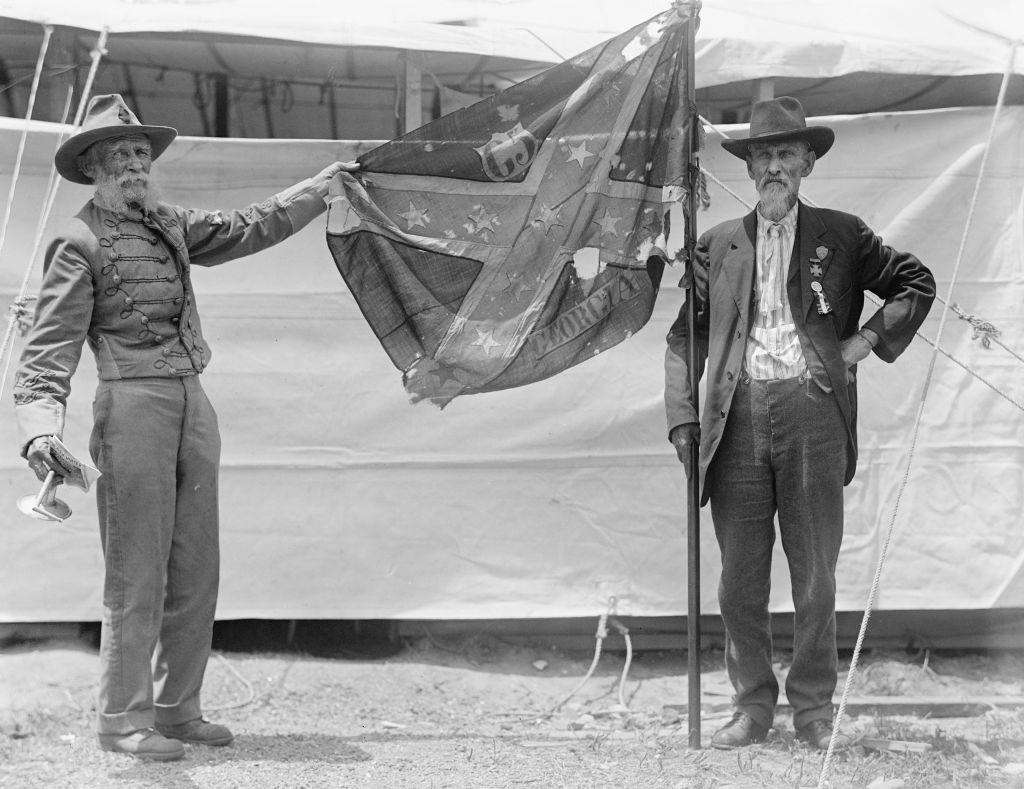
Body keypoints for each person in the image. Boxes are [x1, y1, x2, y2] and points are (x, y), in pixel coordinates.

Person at [13, 94, 357, 761]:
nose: (136, 166)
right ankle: (122, 720)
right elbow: (46, 353)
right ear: (94, 167)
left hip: (193, 405)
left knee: (197, 567)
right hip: (131, 407)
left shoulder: (169, 222)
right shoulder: (75, 241)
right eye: (121, 155)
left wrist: (321, 188)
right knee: (137, 573)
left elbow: (248, 225)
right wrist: (38, 430)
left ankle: (177, 708)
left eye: (142, 154)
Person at [664, 97, 935, 750]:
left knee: (815, 574)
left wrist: (860, 343)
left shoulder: (841, 235)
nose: (774, 166)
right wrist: (682, 419)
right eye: (763, 155)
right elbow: (684, 339)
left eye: (786, 153)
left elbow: (914, 283)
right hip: (736, 422)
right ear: (750, 167)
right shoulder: (717, 243)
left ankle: (814, 707)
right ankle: (751, 707)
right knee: (738, 581)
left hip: (814, 415)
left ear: (808, 162)